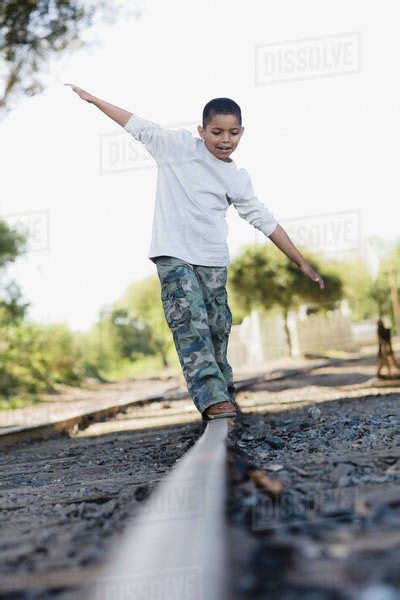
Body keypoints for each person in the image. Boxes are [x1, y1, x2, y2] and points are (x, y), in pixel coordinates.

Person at [65, 84, 325, 421]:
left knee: (218, 329)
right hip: (173, 254)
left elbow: (265, 221)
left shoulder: (236, 178)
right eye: (216, 131)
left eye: (233, 132)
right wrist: (96, 100)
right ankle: (212, 399)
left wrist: (301, 262)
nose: (224, 139)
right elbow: (137, 125)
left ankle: (223, 391)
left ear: (242, 133)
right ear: (201, 130)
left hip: (213, 260)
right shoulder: (175, 147)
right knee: (190, 323)